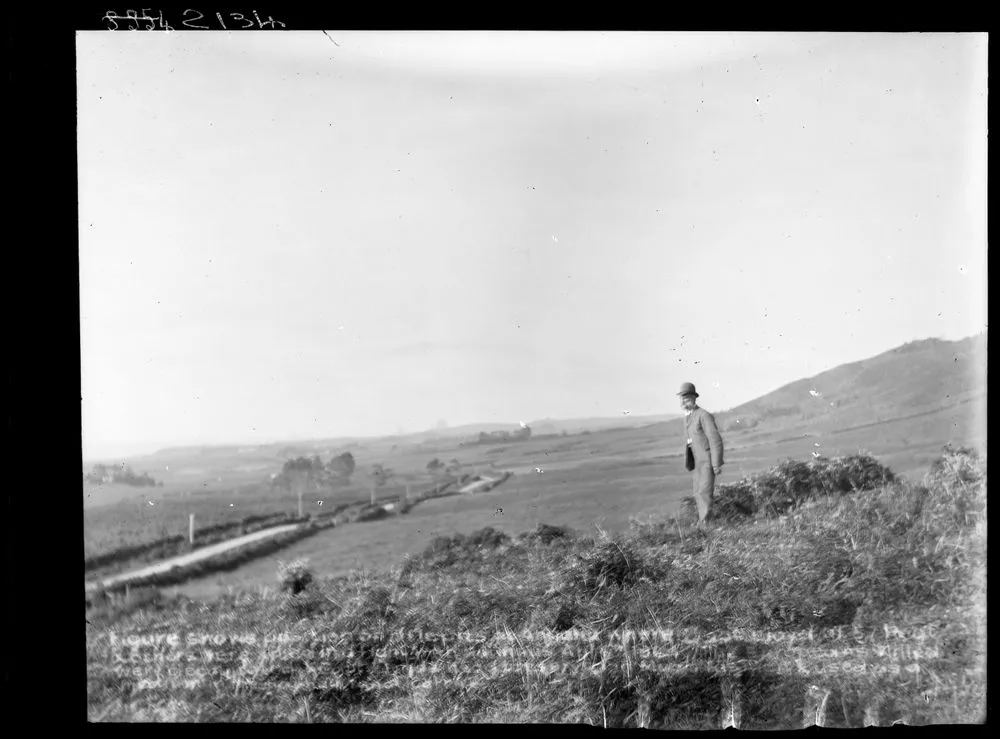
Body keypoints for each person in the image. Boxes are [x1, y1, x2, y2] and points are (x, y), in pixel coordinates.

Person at [678, 382, 724, 529]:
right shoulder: (688, 417)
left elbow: (715, 440)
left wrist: (716, 463)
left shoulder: (704, 416)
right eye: (682, 398)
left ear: (693, 397)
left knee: (704, 493)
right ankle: (704, 524)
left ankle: (706, 525)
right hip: (697, 463)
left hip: (707, 461)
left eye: (686, 397)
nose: (683, 400)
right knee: (698, 493)